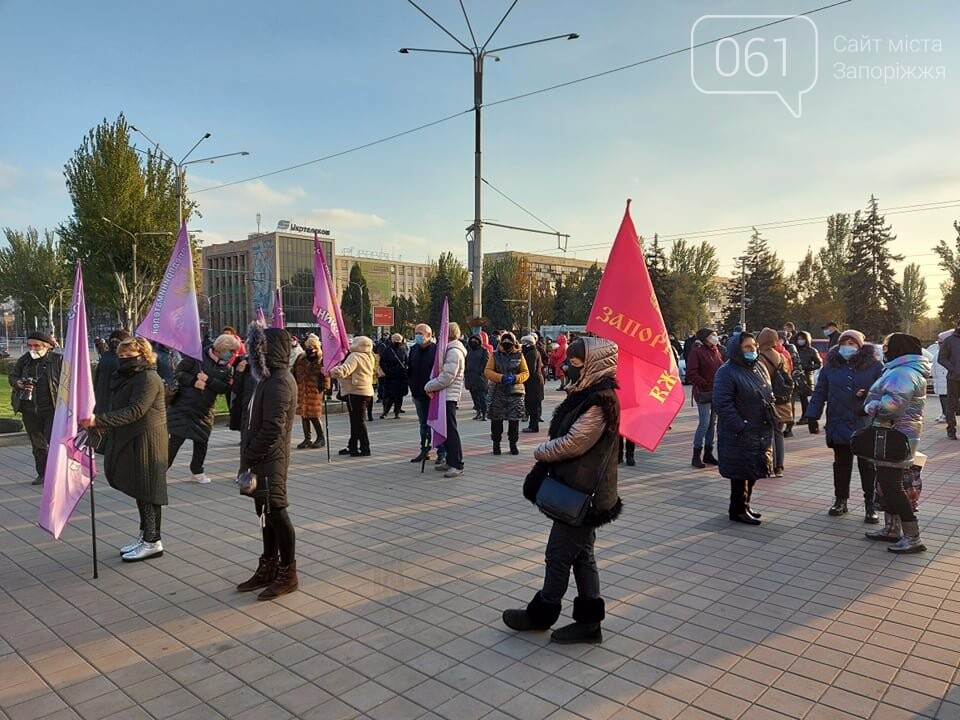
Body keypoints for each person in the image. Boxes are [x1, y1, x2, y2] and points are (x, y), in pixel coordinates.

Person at [502, 337, 622, 644]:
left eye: (576, 361)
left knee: (558, 555)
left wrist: (540, 450)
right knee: (582, 556)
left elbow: (573, 443)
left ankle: (542, 613)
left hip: (584, 495)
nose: (568, 365)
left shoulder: (600, 401)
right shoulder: (587, 394)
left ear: (592, 364)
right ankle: (589, 623)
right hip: (581, 491)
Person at [80, 337, 168, 562]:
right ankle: (145, 535)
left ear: (143, 355)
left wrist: (98, 420)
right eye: (121, 356)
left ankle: (152, 541)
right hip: (132, 438)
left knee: (147, 491)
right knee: (141, 490)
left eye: (129, 356)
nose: (124, 360)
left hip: (146, 441)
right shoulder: (129, 377)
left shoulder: (148, 377)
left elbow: (136, 410)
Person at [236, 326, 300, 598]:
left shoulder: (280, 381)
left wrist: (249, 455)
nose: (255, 352)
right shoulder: (267, 378)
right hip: (259, 460)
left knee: (277, 512)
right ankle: (268, 566)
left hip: (270, 460)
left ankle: (288, 572)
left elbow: (273, 428)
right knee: (265, 514)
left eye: (260, 347)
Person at [804, 329, 883, 521]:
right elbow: (820, 391)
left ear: (860, 345)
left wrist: (867, 396)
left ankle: (870, 505)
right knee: (841, 464)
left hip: (863, 422)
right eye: (844, 343)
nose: (847, 347)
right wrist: (812, 415)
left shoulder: (874, 365)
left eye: (852, 343)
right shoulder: (830, 366)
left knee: (867, 466)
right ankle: (841, 500)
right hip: (838, 421)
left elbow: (883, 390)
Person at [862, 333, 930, 553]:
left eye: (887, 345)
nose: (884, 349)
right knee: (887, 483)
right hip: (895, 434)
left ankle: (913, 537)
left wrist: (869, 406)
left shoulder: (903, 372)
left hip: (895, 435)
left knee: (893, 486)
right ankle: (892, 529)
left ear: (898, 348)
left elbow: (892, 406)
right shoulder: (901, 369)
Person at [713, 332, 774, 525]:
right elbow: (722, 404)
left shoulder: (759, 367)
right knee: (740, 474)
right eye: (747, 347)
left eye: (754, 346)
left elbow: (767, 391)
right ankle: (737, 509)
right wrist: (740, 425)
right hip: (740, 433)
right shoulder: (727, 371)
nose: (752, 350)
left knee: (752, 471)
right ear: (737, 349)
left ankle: (745, 505)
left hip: (759, 429)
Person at [167, 333, 239, 483]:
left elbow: (225, 388)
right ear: (220, 349)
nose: (232, 354)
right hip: (183, 406)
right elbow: (179, 373)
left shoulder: (227, 369)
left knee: (201, 441)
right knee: (175, 440)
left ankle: (197, 471)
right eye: (231, 351)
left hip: (204, 410)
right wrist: (193, 381)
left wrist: (209, 380)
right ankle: (160, 471)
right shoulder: (196, 357)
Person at [8, 331, 63, 485]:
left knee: (55, 443)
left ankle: (58, 474)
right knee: (37, 445)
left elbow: (68, 382)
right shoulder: (24, 360)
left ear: (47, 346)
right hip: (29, 409)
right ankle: (43, 473)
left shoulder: (58, 360)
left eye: (36, 345)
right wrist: (18, 383)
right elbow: (13, 376)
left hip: (52, 409)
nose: (33, 348)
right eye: (30, 345)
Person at [423, 322, 467, 478]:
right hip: (443, 395)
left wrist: (429, 386)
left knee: (451, 431)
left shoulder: (454, 351)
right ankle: (450, 459)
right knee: (446, 430)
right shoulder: (449, 349)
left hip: (448, 395)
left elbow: (448, 376)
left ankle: (457, 464)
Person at [328, 335, 375, 457]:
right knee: (356, 421)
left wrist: (330, 371)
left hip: (355, 392)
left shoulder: (355, 356)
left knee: (358, 421)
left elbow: (344, 370)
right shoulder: (369, 356)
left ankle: (365, 448)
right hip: (365, 392)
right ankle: (352, 445)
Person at [485, 331, 529, 455]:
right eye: (504, 341)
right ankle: (496, 444)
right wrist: (500, 377)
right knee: (496, 420)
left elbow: (525, 373)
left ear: (514, 342)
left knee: (514, 421)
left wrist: (515, 378)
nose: (507, 344)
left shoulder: (520, 356)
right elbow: (488, 371)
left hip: (515, 393)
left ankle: (513, 444)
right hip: (498, 392)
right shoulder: (495, 355)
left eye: (509, 342)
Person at [757, 328, 792, 478]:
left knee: (767, 434)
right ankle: (779, 467)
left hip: (768, 402)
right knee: (778, 434)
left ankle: (769, 466)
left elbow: (759, 381)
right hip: (783, 401)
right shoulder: (782, 356)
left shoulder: (760, 358)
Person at [685, 328, 723, 469]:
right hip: (703, 392)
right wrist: (705, 384)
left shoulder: (715, 350)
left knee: (712, 423)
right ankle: (696, 455)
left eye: (715, 334)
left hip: (716, 391)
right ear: (705, 338)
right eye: (712, 335)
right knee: (704, 423)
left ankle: (708, 452)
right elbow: (691, 373)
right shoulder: (697, 351)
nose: (715, 337)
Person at [407, 323, 439, 462]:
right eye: (416, 333)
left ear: (429, 335)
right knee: (423, 424)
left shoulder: (436, 350)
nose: (418, 336)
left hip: (433, 394)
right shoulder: (413, 349)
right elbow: (410, 369)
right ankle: (424, 450)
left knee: (437, 424)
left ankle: (442, 453)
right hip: (418, 393)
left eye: (421, 333)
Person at [292, 335, 328, 449]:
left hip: (314, 390)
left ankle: (321, 438)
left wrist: (324, 386)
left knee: (314, 415)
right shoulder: (301, 358)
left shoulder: (321, 360)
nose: (309, 348)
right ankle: (307, 439)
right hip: (302, 389)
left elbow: (326, 375)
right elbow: (293, 371)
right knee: (304, 415)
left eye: (312, 346)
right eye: (307, 346)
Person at [93, 330, 129, 414]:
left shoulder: (105, 356)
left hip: (102, 394)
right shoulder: (123, 357)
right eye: (113, 340)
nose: (114, 343)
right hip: (113, 395)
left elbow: (97, 377)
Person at [792, 330, 822, 431]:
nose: (800, 341)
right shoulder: (794, 350)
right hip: (795, 376)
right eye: (799, 339)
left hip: (806, 376)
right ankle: (792, 418)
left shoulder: (812, 350)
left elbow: (819, 363)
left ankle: (805, 417)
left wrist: (808, 367)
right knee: (794, 398)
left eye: (803, 339)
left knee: (804, 399)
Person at [936, 317, 960, 440]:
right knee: (951, 404)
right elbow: (941, 358)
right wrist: (953, 368)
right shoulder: (949, 341)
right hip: (954, 378)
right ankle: (951, 429)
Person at [378, 333, 409, 419]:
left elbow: (407, 361)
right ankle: (386, 412)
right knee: (390, 395)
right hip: (391, 376)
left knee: (399, 396)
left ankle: (396, 412)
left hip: (400, 376)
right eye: (396, 340)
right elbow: (382, 362)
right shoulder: (388, 349)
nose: (397, 342)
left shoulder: (403, 349)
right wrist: (387, 371)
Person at [520, 334, 545, 433]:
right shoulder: (533, 352)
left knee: (532, 406)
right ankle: (532, 425)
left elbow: (530, 369)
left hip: (533, 383)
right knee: (532, 405)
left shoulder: (531, 353)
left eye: (524, 343)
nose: (522, 345)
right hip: (533, 382)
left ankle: (533, 426)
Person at [464, 334, 490, 420]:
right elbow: (465, 362)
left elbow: (486, 363)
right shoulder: (468, 350)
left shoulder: (484, 351)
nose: (473, 342)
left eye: (476, 340)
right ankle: (478, 412)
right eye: (472, 340)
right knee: (474, 397)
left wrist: (480, 372)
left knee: (482, 397)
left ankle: (484, 413)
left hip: (480, 378)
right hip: (470, 377)